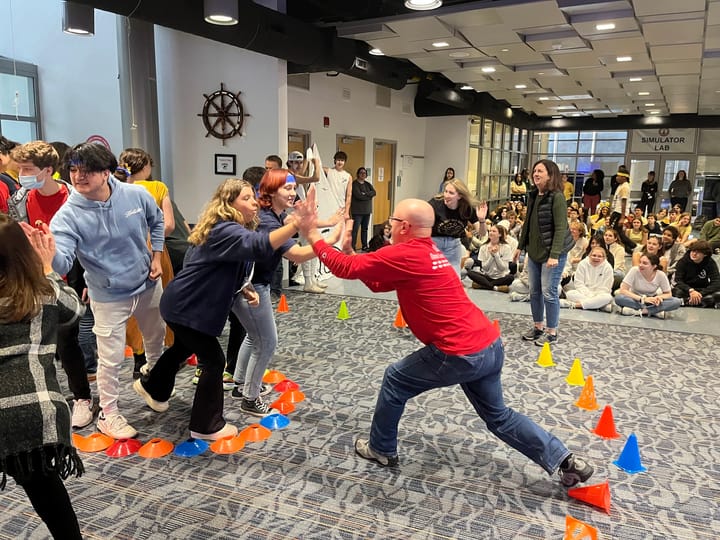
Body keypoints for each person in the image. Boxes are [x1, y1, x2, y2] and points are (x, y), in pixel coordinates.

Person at [291, 187, 594, 488]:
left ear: (404, 227)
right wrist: (349, 251)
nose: (389, 226)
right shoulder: (427, 251)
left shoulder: (405, 252)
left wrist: (311, 232)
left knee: (395, 379)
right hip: (489, 344)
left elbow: (345, 270)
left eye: (393, 220)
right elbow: (375, 282)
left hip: (458, 351)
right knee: (499, 416)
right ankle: (565, 460)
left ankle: (381, 449)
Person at [134, 178, 303, 439]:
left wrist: (244, 288)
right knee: (214, 360)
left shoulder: (230, 228)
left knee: (183, 347)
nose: (253, 202)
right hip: (186, 307)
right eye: (245, 198)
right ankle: (206, 426)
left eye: (252, 197)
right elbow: (259, 246)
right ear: (229, 203)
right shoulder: (225, 229)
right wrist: (296, 224)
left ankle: (153, 386)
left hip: (183, 305)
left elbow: (227, 266)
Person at [50, 142, 166, 439]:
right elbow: (62, 260)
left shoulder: (136, 194)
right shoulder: (67, 216)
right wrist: (46, 254)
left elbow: (157, 221)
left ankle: (155, 382)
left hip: (147, 282)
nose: (78, 176)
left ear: (106, 172)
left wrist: (156, 256)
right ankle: (109, 414)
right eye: (74, 169)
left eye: (87, 170)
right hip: (108, 294)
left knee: (156, 339)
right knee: (110, 358)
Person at [229, 169, 341, 416]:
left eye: (293, 187)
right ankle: (249, 397)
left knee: (253, 337)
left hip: (252, 285)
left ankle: (239, 385)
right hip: (250, 288)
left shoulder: (273, 214)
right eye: (287, 189)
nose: (292, 193)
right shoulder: (267, 220)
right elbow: (297, 255)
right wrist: (329, 241)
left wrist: (328, 222)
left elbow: (295, 222)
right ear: (270, 192)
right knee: (267, 343)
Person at [0, 215, 84, 539]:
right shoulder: (43, 294)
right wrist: (48, 267)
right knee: (48, 496)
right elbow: (75, 310)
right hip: (36, 413)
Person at [8, 140, 94, 429]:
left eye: (27, 169)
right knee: (40, 343)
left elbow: (87, 244)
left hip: (69, 278)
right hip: (32, 279)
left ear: (48, 170)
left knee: (68, 341)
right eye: (19, 168)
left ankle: (83, 397)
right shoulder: (20, 200)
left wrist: (85, 281)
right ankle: (49, 395)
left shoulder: (75, 198)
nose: (21, 173)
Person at [516, 159, 573, 346]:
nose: (535, 174)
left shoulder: (557, 197)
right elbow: (528, 225)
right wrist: (519, 246)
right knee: (535, 291)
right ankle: (538, 326)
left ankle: (552, 331)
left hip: (553, 253)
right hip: (534, 253)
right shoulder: (533, 195)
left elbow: (560, 228)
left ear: (550, 175)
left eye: (540, 171)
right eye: (534, 171)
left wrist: (554, 255)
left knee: (549, 292)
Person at [429, 178, 484, 275]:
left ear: (459, 196)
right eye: (445, 191)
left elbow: (482, 233)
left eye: (451, 193)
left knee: (454, 278)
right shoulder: (435, 204)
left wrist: (482, 220)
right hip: (435, 244)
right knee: (435, 278)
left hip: (453, 246)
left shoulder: (467, 208)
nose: (446, 195)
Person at [614, 253, 681, 318]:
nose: (640, 265)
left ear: (654, 266)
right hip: (635, 299)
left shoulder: (661, 275)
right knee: (619, 298)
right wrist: (643, 299)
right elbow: (623, 290)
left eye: (645, 263)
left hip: (652, 300)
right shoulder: (634, 270)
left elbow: (668, 294)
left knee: (676, 302)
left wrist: (659, 298)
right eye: (640, 262)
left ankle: (642, 311)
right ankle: (655, 311)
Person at [561, 245, 613, 312]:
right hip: (584, 293)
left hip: (600, 294)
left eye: (599, 256)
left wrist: (595, 295)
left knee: (607, 297)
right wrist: (590, 296)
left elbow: (606, 287)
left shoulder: (608, 267)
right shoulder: (583, 264)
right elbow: (579, 284)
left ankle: (574, 305)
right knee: (570, 294)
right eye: (594, 255)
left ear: (604, 258)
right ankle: (600, 306)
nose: (596, 258)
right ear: (589, 256)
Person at [671, 240, 720, 308]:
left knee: (718, 294)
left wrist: (700, 294)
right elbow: (678, 280)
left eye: (698, 252)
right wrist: (691, 290)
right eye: (693, 251)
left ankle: (687, 302)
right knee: (676, 292)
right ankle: (703, 302)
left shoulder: (710, 262)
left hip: (702, 290)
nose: (694, 254)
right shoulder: (683, 261)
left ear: (705, 254)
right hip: (687, 290)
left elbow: (716, 282)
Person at [466, 224, 514, 292]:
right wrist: (491, 256)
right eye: (490, 231)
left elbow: (503, 268)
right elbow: (485, 268)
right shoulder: (483, 247)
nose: (491, 233)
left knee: (511, 277)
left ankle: (483, 285)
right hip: (487, 276)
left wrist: (496, 255)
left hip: (501, 277)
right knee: (470, 273)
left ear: (500, 234)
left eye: (494, 231)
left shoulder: (506, 247)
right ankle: (495, 288)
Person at [350, 167, 376, 252]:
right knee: (355, 230)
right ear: (358, 174)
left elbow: (374, 192)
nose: (363, 174)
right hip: (357, 212)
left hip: (367, 211)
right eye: (361, 173)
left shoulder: (368, 184)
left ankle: (364, 246)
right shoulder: (354, 184)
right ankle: (352, 247)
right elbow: (358, 196)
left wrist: (365, 194)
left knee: (365, 229)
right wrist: (368, 196)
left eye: (364, 173)